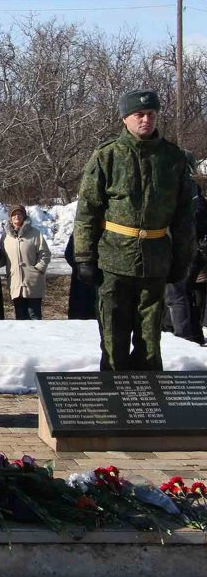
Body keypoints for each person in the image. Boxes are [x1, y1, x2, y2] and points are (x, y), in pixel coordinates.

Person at [74, 89, 195, 370]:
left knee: (150, 341)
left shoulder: (173, 159)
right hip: (113, 261)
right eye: (138, 114)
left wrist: (182, 259)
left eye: (151, 114)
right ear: (124, 118)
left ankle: (149, 408)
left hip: (155, 262)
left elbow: (184, 216)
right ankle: (115, 405)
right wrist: (84, 257)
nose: (145, 120)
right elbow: (87, 211)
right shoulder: (108, 156)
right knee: (113, 340)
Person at [165, 184, 207, 345]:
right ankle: (192, 335)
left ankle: (184, 338)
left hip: (188, 254)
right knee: (184, 295)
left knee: (176, 295)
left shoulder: (192, 204)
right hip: (191, 253)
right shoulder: (196, 201)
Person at [2, 204, 51, 320]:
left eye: (19, 214)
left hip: (33, 282)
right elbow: (2, 258)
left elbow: (45, 254)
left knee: (34, 316)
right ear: (10, 218)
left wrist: (38, 269)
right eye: (14, 214)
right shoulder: (5, 237)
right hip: (15, 282)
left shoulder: (35, 234)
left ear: (24, 216)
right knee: (20, 317)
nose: (16, 216)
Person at [64, 232, 98, 320]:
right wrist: (79, 267)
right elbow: (68, 254)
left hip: (98, 278)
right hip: (80, 278)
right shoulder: (78, 233)